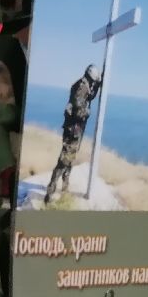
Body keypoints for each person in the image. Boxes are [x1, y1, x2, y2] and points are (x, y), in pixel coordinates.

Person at [44, 64, 103, 204]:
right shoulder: (81, 88)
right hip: (73, 130)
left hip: (75, 130)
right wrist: (88, 112)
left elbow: (90, 97)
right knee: (64, 160)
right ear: (91, 78)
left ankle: (64, 188)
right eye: (95, 80)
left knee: (70, 158)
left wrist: (99, 85)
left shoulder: (84, 85)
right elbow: (78, 110)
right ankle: (49, 193)